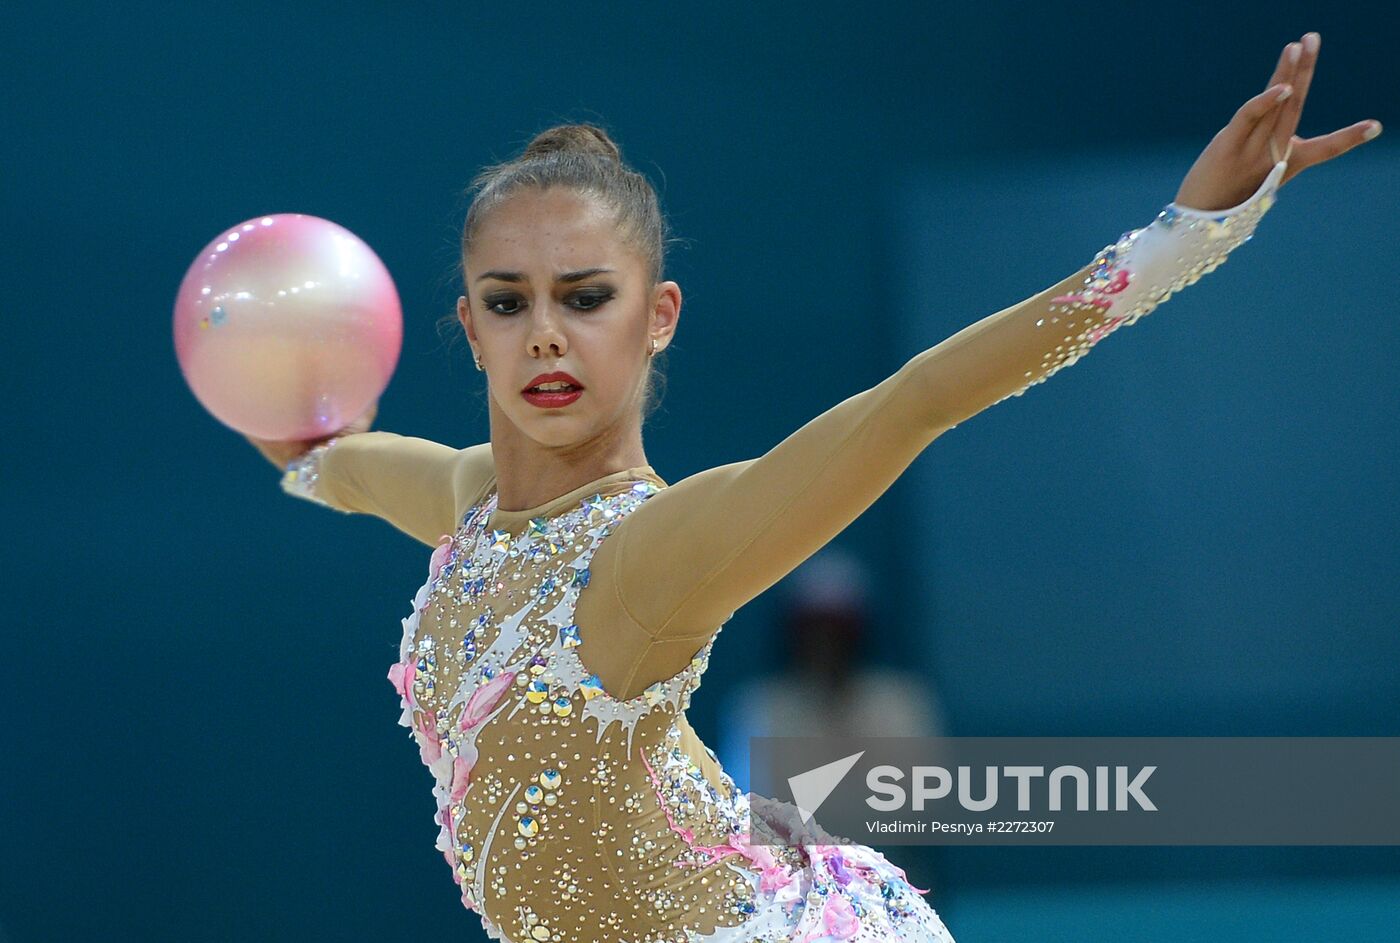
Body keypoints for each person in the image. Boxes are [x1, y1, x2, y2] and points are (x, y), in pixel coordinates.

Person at [249, 33, 1376, 943]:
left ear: (656, 318)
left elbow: (911, 402)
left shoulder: (656, 552)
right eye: (507, 302)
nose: (544, 334)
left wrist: (1183, 239)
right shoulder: (472, 506)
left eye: (584, 297)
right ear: (468, 326)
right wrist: (293, 441)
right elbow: (349, 467)